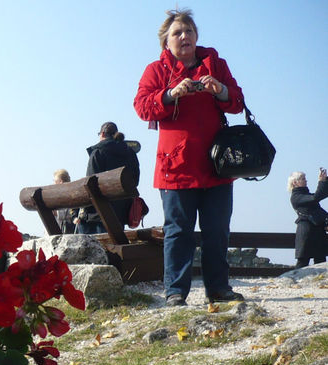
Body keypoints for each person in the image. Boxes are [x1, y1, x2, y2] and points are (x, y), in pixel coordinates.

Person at [134, 9, 245, 307]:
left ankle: (219, 289)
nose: (184, 37)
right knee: (178, 232)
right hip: (176, 167)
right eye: (177, 33)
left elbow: (237, 101)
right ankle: (175, 293)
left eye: (189, 31)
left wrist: (220, 89)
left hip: (217, 165)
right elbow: (142, 107)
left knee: (217, 231)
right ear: (165, 43)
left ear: (197, 36)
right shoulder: (155, 71)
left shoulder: (216, 64)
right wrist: (171, 94)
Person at [78, 122, 140, 234]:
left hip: (98, 214)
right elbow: (135, 181)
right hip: (121, 212)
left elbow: (90, 185)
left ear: (102, 134)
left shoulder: (98, 152)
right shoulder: (130, 153)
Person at [288, 168, 328, 268]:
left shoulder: (305, 195)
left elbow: (321, 195)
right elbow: (316, 197)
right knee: (303, 262)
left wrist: (324, 181)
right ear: (295, 183)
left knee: (320, 262)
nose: (306, 180)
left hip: (317, 231)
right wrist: (321, 182)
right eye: (302, 179)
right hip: (307, 233)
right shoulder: (296, 197)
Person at [51, 170, 80, 234]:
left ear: (60, 181)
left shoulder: (71, 195)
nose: (53, 184)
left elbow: (72, 212)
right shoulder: (53, 195)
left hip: (65, 230)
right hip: (58, 228)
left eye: (55, 181)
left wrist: (57, 213)